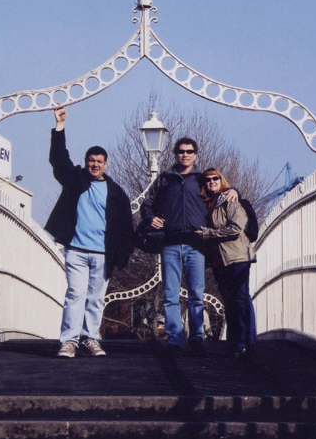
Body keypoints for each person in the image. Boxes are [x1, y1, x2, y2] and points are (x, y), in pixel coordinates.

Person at [45, 107, 134, 358]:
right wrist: (59, 127)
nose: (94, 165)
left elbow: (127, 228)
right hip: (76, 249)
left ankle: (91, 338)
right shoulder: (75, 179)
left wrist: (122, 256)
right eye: (91, 161)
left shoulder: (116, 193)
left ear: (105, 164)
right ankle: (69, 341)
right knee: (75, 294)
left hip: (103, 254)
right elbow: (58, 160)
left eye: (99, 162)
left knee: (96, 298)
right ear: (86, 162)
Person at [140, 138, 237, 356]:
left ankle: (196, 339)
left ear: (196, 154)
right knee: (171, 294)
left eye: (189, 151)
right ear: (175, 154)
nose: (185, 155)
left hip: (197, 245)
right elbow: (146, 205)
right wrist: (150, 218)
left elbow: (221, 188)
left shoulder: (202, 179)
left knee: (196, 294)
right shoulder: (165, 180)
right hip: (170, 244)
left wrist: (235, 190)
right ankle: (175, 339)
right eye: (181, 151)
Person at [195, 167, 256, 359]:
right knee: (229, 301)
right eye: (208, 180)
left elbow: (236, 229)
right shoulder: (207, 204)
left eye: (215, 178)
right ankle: (234, 343)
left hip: (237, 258)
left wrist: (208, 234)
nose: (212, 182)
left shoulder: (229, 200)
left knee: (240, 299)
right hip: (219, 260)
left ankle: (245, 342)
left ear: (221, 180)